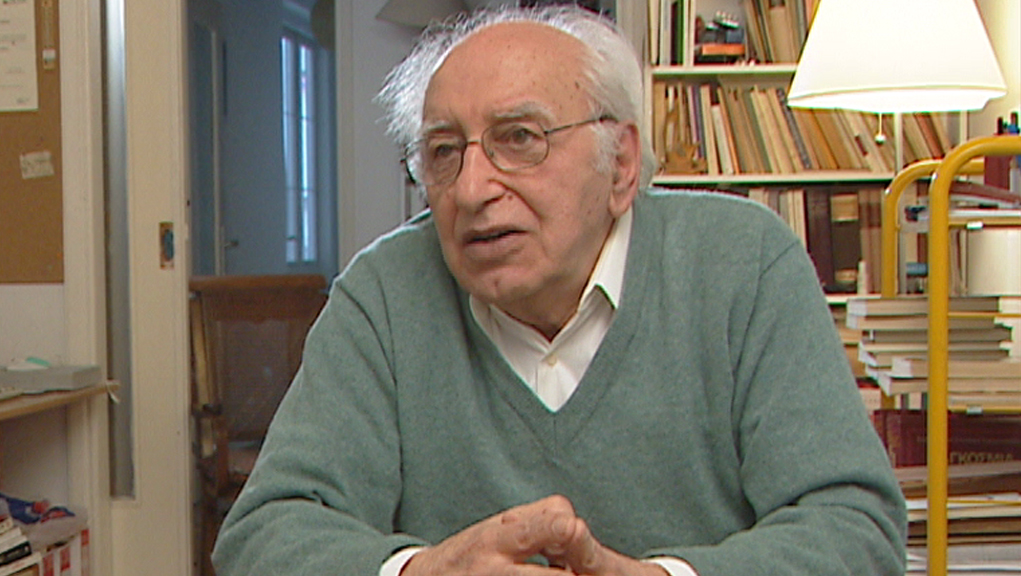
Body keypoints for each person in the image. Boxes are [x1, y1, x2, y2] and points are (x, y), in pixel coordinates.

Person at [212, 5, 906, 576]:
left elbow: (854, 527)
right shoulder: (383, 293)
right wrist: (421, 571)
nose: (472, 190)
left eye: (520, 138)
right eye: (444, 151)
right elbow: (264, 536)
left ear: (621, 165)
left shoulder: (744, 264)